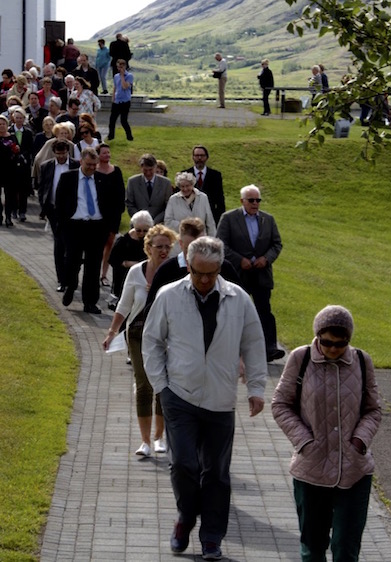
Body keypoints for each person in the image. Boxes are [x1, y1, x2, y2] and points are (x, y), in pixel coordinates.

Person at [142, 236, 267, 561]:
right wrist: (161, 385)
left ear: (220, 268)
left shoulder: (238, 299)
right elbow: (151, 340)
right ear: (189, 265)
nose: (204, 280)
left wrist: (256, 388)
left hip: (221, 400)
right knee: (184, 463)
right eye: (198, 273)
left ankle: (211, 537)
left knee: (216, 473)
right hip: (179, 394)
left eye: (211, 273)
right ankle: (186, 516)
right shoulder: (169, 295)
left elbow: (254, 344)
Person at [271, 305, 381, 562]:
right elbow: (280, 404)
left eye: (341, 344)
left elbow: (373, 410)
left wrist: (359, 441)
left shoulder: (362, 361)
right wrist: (304, 441)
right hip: (311, 470)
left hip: (354, 471)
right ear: (317, 335)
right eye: (327, 342)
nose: (333, 349)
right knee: (312, 548)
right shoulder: (300, 358)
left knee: (346, 549)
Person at [103, 224, 178, 457]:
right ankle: (145, 441)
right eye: (159, 247)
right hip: (137, 333)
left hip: (166, 336)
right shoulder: (136, 272)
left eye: (167, 247)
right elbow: (124, 305)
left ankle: (159, 437)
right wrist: (112, 332)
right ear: (148, 247)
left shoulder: (175, 271)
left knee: (162, 384)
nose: (163, 251)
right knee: (144, 384)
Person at [217, 184, 284, 362]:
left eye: (258, 200)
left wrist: (266, 259)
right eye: (251, 200)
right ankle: (233, 347)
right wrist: (239, 260)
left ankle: (270, 348)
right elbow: (221, 244)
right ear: (242, 201)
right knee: (236, 310)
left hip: (261, 273)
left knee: (264, 310)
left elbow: (277, 244)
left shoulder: (268, 220)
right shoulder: (229, 218)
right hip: (238, 273)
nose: (255, 204)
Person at [55, 148, 120, 314]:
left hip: (96, 227)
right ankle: (70, 286)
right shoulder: (68, 178)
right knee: (72, 261)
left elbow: (111, 204)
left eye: (94, 165)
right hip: (74, 226)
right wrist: (62, 226)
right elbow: (59, 203)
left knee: (93, 265)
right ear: (81, 162)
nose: (91, 168)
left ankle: (90, 302)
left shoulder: (102, 179)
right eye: (88, 164)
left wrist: (109, 226)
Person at [38, 140, 79, 290]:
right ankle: (61, 280)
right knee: (59, 245)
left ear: (68, 152)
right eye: (58, 153)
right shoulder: (46, 166)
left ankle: (71, 277)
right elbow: (42, 187)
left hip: (73, 211)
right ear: (54, 152)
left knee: (72, 246)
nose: (61, 156)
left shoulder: (76, 165)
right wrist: (44, 207)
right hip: (54, 211)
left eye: (64, 153)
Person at [95, 143, 125, 287]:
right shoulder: (94, 172)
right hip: (98, 214)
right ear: (98, 155)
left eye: (108, 152)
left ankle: (104, 274)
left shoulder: (116, 170)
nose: (107, 155)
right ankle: (94, 272)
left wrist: (119, 210)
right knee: (97, 244)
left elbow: (121, 192)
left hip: (113, 214)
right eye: (104, 153)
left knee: (109, 243)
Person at [108, 210, 152, 307]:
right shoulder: (123, 240)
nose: (142, 233)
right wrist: (127, 263)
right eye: (138, 230)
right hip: (123, 278)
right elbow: (113, 259)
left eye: (145, 231)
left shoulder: (152, 241)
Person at [164, 172, 216, 240]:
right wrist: (186, 226)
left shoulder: (203, 197)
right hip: (181, 240)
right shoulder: (173, 199)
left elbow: (210, 221)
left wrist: (212, 239)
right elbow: (168, 221)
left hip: (200, 239)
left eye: (187, 186)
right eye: (182, 186)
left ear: (192, 184)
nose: (185, 189)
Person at [181, 145, 225, 224]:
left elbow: (220, 199)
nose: (199, 158)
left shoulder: (216, 175)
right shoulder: (184, 174)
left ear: (207, 157)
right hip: (189, 217)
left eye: (202, 155)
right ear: (193, 157)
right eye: (197, 155)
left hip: (210, 217)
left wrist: (219, 219)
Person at [125, 154, 172, 224]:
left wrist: (154, 221)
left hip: (159, 224)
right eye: (145, 170)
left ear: (155, 167)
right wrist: (140, 219)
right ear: (141, 168)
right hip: (138, 224)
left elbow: (168, 206)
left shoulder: (166, 183)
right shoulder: (132, 182)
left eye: (151, 170)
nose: (148, 173)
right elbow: (130, 204)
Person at [108, 59, 134, 141]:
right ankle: (111, 136)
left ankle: (129, 136)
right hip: (116, 101)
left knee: (123, 121)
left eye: (121, 67)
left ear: (125, 66)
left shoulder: (129, 76)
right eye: (118, 67)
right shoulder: (116, 76)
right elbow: (115, 87)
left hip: (125, 101)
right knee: (112, 120)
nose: (119, 69)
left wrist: (122, 76)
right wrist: (113, 97)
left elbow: (125, 86)